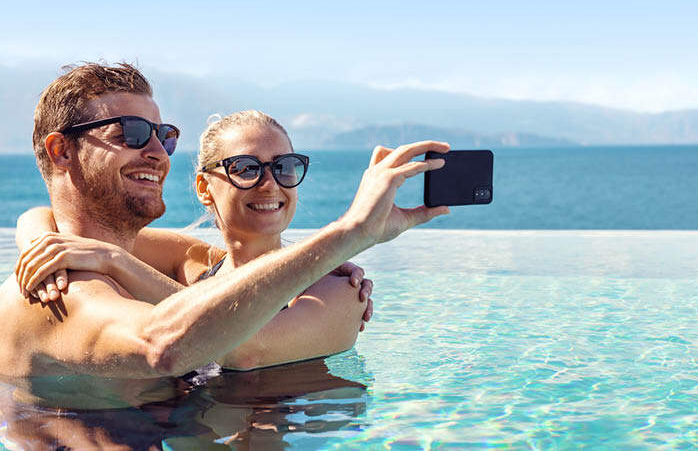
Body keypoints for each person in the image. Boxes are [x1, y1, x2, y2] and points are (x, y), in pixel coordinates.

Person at [0, 62, 450, 384]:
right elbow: (168, 346)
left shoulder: (140, 258)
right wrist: (350, 234)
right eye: (131, 134)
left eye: (163, 136)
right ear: (61, 151)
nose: (156, 152)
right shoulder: (58, 291)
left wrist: (317, 262)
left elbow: (57, 225)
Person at [15, 109, 378, 369]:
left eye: (284, 167)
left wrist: (115, 260)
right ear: (205, 187)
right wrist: (40, 246)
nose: (270, 184)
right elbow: (60, 227)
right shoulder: (192, 263)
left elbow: (243, 350)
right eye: (246, 169)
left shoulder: (339, 291)